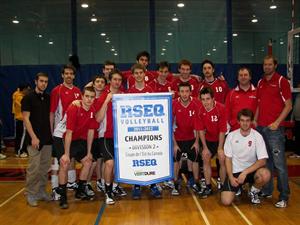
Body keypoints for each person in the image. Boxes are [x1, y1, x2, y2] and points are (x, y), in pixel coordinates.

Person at [255, 55, 292, 208]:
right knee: (266, 162)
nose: (267, 67)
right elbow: (258, 104)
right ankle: (268, 190)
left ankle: (284, 196)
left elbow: (288, 105)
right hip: (261, 128)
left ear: (275, 66)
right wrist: (255, 121)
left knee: (279, 165)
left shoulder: (281, 81)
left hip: (274, 131)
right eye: (265, 65)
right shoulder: (260, 82)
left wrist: (277, 123)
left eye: (270, 64)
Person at [56, 86, 98, 209]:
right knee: (64, 163)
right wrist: (67, 155)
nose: (89, 99)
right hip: (62, 137)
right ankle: (63, 197)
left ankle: (79, 191)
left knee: (88, 161)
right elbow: (68, 133)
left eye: (92, 97)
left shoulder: (92, 109)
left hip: (77, 138)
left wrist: (89, 152)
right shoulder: (74, 108)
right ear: (82, 96)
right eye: (87, 96)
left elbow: (90, 132)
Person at [221, 109, 271, 205]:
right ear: (238, 121)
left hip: (251, 171)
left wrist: (245, 172)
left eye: (247, 120)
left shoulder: (257, 136)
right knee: (226, 202)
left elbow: (263, 160)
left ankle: (254, 191)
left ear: (251, 121)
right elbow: (228, 159)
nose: (245, 123)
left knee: (265, 174)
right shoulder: (231, 136)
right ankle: (239, 187)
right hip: (235, 172)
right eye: (242, 120)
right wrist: (231, 177)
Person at [127, 63, 162, 199]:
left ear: (144, 74)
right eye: (136, 73)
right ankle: (136, 185)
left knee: (149, 155)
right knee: (137, 156)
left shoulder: (150, 90)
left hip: (148, 130)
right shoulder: (129, 92)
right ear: (133, 75)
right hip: (134, 131)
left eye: (141, 73)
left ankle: (152, 184)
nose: (139, 75)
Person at [50, 64, 82, 199]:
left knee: (71, 160)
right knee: (58, 162)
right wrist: (51, 132)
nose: (69, 76)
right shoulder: (57, 90)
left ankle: (71, 183)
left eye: (71, 73)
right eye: (66, 73)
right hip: (60, 133)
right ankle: (55, 188)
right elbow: (52, 112)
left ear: (74, 76)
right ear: (62, 75)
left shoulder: (77, 91)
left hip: (72, 133)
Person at [95, 69, 126, 205]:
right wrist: (106, 101)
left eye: (119, 80)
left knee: (119, 164)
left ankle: (114, 187)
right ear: (110, 80)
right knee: (109, 162)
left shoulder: (124, 95)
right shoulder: (104, 95)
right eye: (115, 79)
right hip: (106, 135)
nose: (117, 82)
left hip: (121, 136)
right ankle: (107, 192)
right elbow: (98, 118)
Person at [21, 72, 52, 207]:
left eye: (46, 82)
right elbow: (26, 119)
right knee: (34, 168)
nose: (43, 84)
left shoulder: (48, 97)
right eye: (41, 81)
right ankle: (30, 193)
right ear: (36, 81)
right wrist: (33, 137)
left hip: (47, 139)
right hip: (34, 140)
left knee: (44, 168)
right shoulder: (28, 98)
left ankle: (41, 191)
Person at [196, 87, 227, 198]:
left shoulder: (221, 108)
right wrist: (204, 147)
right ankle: (208, 187)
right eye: (203, 99)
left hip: (221, 138)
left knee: (222, 159)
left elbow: (222, 130)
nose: (205, 102)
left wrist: (220, 148)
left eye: (208, 99)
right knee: (205, 157)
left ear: (213, 98)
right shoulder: (199, 110)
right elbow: (200, 130)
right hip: (208, 138)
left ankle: (224, 186)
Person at [172, 82, 201, 195]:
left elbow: (199, 126)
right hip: (178, 139)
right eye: (182, 91)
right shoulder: (174, 104)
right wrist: (174, 144)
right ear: (178, 92)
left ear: (190, 92)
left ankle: (195, 182)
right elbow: (170, 126)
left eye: (187, 91)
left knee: (195, 159)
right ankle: (175, 184)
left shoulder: (196, 104)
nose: (184, 94)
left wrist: (197, 142)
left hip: (192, 138)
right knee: (176, 160)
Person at [12, 84, 31, 157]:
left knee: (20, 136)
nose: (29, 91)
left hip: (19, 118)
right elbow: (25, 107)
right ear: (24, 90)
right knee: (22, 136)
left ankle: (20, 150)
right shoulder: (20, 98)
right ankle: (20, 151)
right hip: (21, 119)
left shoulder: (16, 94)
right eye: (28, 90)